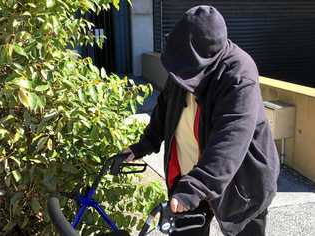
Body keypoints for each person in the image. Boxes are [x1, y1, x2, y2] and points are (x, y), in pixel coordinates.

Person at [120, 5, 280, 236]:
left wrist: (195, 187)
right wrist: (142, 146)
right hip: (190, 175)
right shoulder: (184, 63)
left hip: (241, 181)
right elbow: (165, 108)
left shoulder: (239, 73)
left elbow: (231, 139)